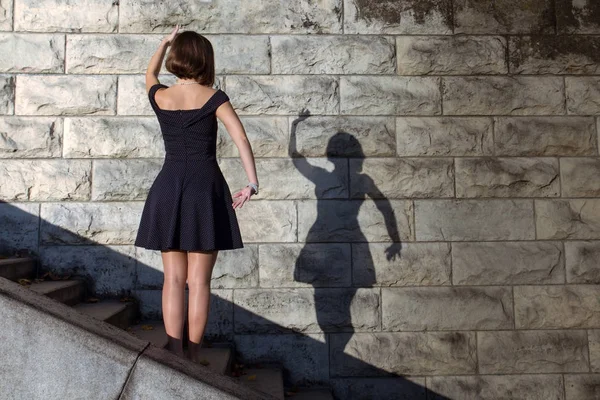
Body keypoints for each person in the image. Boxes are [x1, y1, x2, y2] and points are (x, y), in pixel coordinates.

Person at [134, 25, 259, 363]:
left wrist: (163, 43)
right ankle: (193, 355)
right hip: (205, 190)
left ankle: (174, 352)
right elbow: (242, 139)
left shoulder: (160, 95)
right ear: (205, 60)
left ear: (177, 58)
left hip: (168, 187)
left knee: (173, 279)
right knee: (199, 282)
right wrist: (252, 183)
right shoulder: (214, 97)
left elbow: (149, 72)